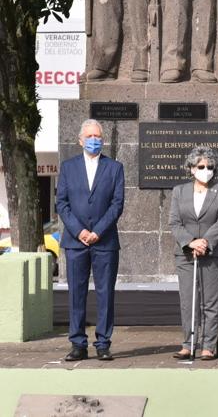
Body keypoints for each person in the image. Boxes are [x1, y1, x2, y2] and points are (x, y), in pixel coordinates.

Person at [55, 119, 125, 361]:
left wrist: (98, 231)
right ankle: (78, 343)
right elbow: (61, 203)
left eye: (98, 136)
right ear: (80, 140)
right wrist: (79, 231)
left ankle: (103, 343)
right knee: (76, 293)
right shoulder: (67, 167)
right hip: (76, 242)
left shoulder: (115, 168)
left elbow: (117, 204)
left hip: (105, 242)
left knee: (105, 293)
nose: (94, 140)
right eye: (90, 136)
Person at [168, 145, 218, 360]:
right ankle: (188, 344)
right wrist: (191, 242)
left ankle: (208, 345)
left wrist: (205, 241)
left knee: (209, 302)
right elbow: (175, 222)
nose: (207, 170)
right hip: (186, 254)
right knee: (188, 300)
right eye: (201, 166)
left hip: (212, 253)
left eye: (210, 166)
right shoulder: (179, 191)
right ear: (192, 169)